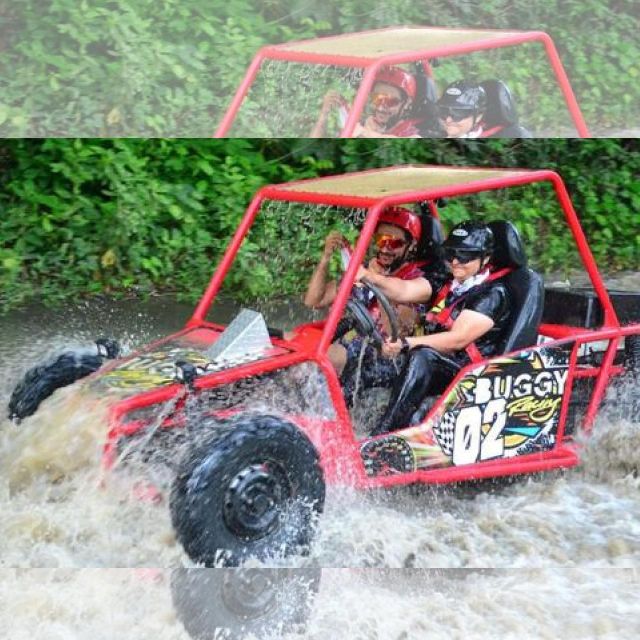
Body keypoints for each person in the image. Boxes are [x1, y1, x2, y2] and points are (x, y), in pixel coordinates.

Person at [365, 221, 514, 436]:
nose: (455, 262)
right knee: (372, 363)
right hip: (435, 364)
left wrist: (407, 343)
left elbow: (457, 339)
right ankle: (330, 423)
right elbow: (403, 290)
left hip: (469, 375)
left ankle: (382, 436)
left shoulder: (493, 294)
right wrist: (369, 276)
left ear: (486, 259)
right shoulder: (446, 282)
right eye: (451, 254)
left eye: (464, 256)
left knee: (421, 356)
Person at [304, 207, 435, 405]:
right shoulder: (366, 269)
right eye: (382, 240)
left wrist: (378, 280)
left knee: (327, 357)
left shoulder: (415, 282)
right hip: (355, 344)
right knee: (294, 345)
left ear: (411, 246)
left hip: (391, 356)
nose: (386, 249)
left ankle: (320, 419)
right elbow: (313, 301)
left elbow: (396, 332)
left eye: (395, 243)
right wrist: (326, 258)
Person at [310, 66, 421, 138]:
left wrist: (362, 132)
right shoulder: (366, 125)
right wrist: (324, 115)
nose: (381, 108)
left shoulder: (412, 135)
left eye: (391, 102)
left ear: (406, 104)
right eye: (377, 98)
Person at [423, 80, 531, 139]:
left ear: (479, 115)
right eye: (444, 112)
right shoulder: (430, 131)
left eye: (458, 113)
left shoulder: (510, 138)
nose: (448, 120)